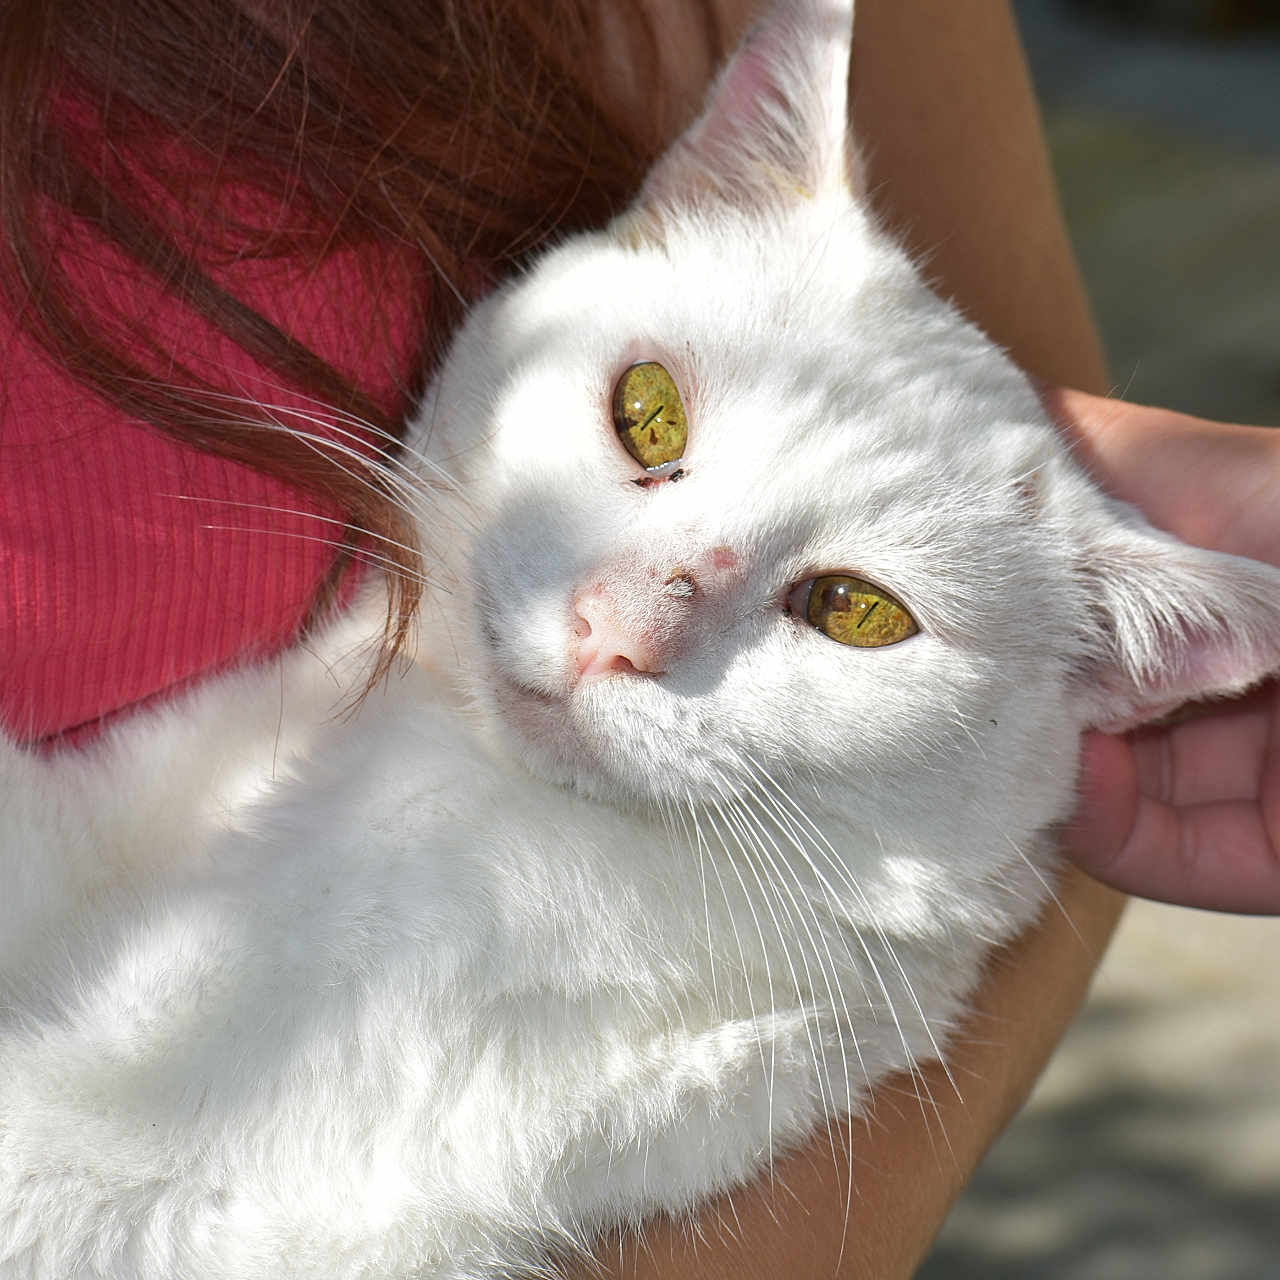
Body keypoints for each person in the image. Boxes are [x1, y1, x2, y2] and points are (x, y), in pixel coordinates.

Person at [12, 1, 1261, 1276]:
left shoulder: (613, 910)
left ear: (1100, 680)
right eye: (646, 422)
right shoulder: (378, 703)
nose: (623, 627)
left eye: (847, 607)